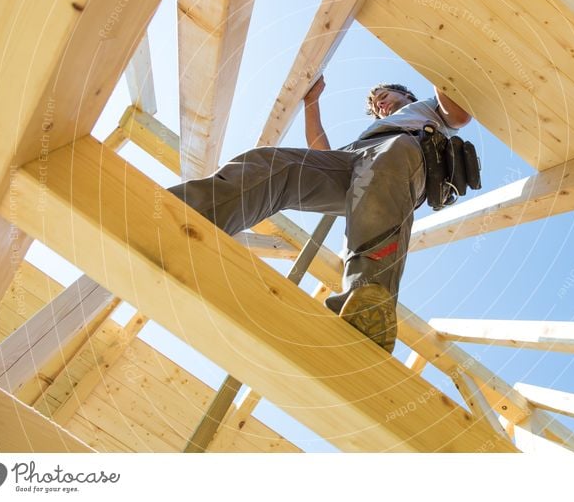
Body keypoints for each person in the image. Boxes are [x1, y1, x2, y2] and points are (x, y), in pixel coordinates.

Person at [169, 76, 472, 353]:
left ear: (405, 93)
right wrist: (311, 102)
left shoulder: (427, 109)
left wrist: (437, 68)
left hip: (404, 157)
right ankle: (189, 212)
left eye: (384, 94)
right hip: (358, 161)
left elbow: (459, 115)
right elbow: (321, 152)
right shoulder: (374, 130)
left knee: (385, 168)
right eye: (376, 103)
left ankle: (367, 302)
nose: (379, 103)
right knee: (273, 164)